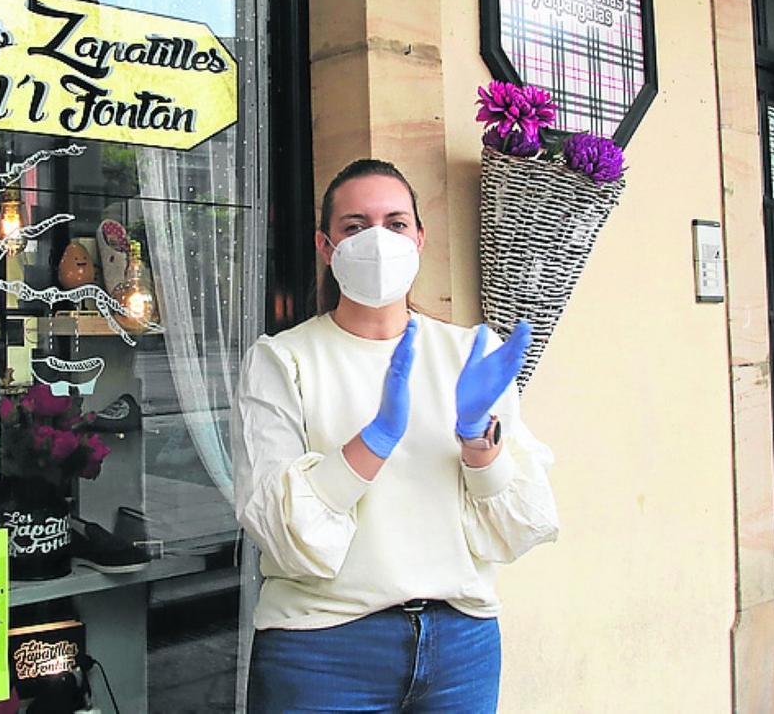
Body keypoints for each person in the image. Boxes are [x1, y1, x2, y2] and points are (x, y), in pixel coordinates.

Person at [231, 158, 559, 713]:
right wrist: (373, 442)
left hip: (462, 643)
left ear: (420, 237)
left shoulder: (470, 355)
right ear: (326, 245)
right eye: (355, 226)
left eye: (396, 222)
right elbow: (275, 528)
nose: (378, 240)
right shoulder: (282, 359)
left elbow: (518, 524)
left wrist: (482, 443)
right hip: (323, 649)